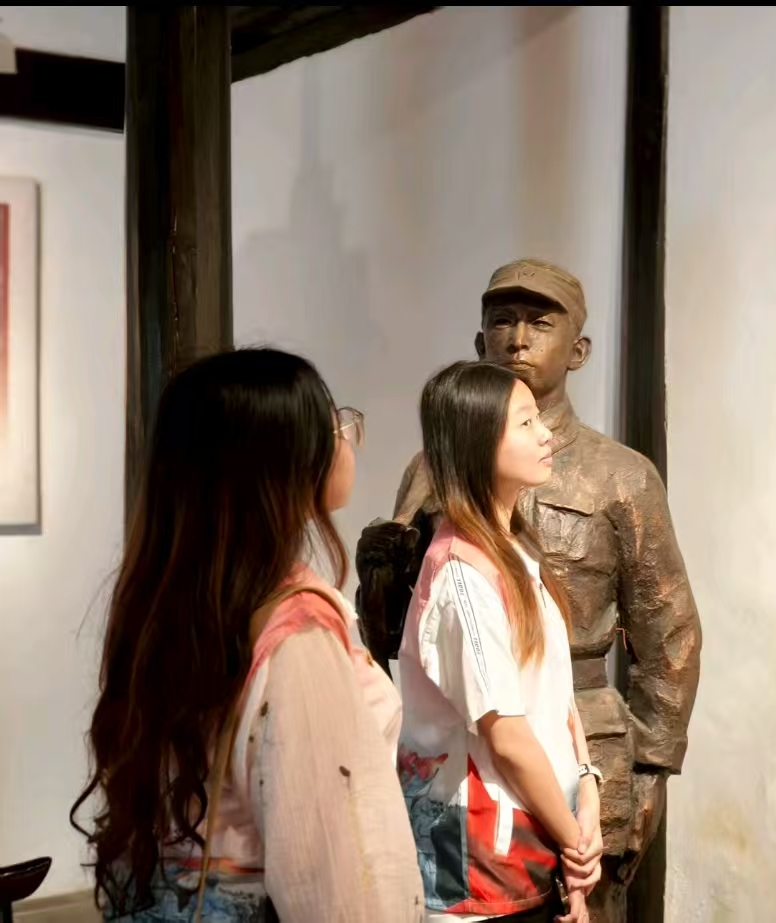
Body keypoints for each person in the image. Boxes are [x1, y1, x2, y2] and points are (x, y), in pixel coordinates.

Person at [358, 259, 700, 923]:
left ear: (578, 349)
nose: (517, 339)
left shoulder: (620, 476)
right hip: (478, 778)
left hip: (586, 745)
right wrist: (379, 573)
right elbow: (402, 633)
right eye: (501, 322)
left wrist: (651, 768)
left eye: (540, 323)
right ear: (478, 339)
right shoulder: (432, 472)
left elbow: (671, 634)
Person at [71, 348, 424, 922]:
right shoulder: (294, 631)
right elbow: (330, 871)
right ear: (285, 462)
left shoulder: (163, 602)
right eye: (332, 424)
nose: (346, 439)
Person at [398, 360, 603, 923]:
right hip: (481, 873)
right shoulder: (462, 575)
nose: (546, 434)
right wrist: (576, 846)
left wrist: (587, 788)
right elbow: (506, 737)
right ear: (478, 442)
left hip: (536, 843)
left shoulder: (515, 547)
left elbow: (553, 693)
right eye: (526, 423)